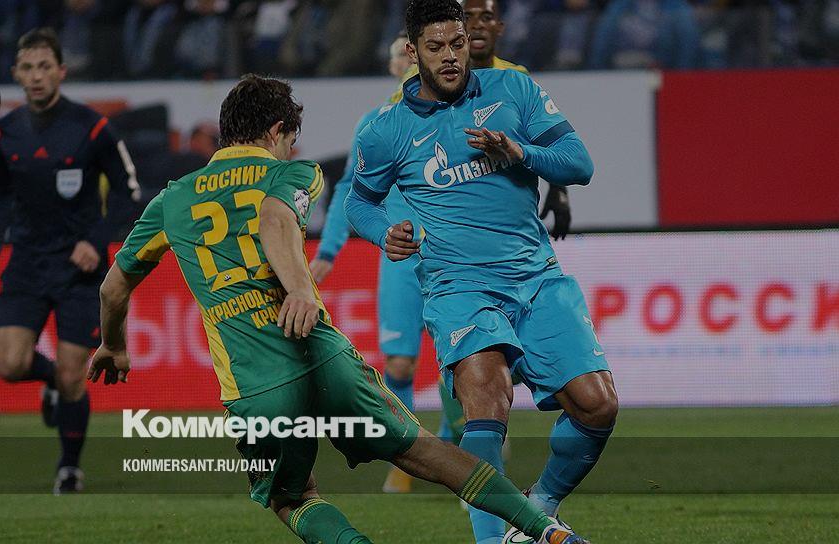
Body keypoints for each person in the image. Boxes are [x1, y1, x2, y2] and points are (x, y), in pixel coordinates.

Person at [87, 74, 590, 544]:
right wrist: (300, 291)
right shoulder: (293, 173)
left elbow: (112, 289)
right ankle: (545, 530)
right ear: (277, 131)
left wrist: (113, 345)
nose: (292, 150)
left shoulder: (173, 199)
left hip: (255, 382)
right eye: (290, 139)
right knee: (424, 451)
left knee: (293, 496)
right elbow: (275, 217)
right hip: (325, 357)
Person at [345, 2, 618, 544]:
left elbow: (579, 163)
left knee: (598, 405)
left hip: (536, 277)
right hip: (459, 287)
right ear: (412, 51)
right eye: (435, 47)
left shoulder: (512, 90)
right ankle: (492, 541)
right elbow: (359, 202)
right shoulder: (385, 128)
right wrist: (384, 233)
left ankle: (537, 510)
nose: (450, 56)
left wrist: (521, 152)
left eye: (456, 43)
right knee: (486, 400)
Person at [310, 0, 572, 496]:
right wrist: (332, 250)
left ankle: (467, 448)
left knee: (471, 360)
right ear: (408, 56)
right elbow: (351, 194)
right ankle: (416, 459)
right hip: (402, 257)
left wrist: (554, 187)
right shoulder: (381, 123)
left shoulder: (498, 87)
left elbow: (549, 143)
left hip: (463, 260)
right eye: (410, 53)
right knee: (400, 364)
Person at [0, 27, 140, 494]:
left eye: (45, 66)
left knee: (73, 374)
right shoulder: (4, 131)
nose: (37, 76)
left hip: (80, 270)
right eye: (28, 67)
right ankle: (49, 383)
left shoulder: (93, 127)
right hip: (26, 263)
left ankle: (69, 468)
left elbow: (127, 191)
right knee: (9, 364)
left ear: (61, 72)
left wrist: (96, 240)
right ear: (15, 74)